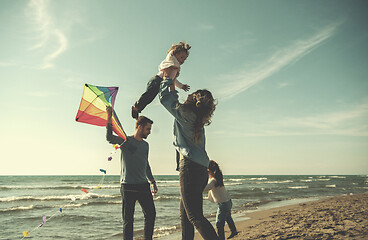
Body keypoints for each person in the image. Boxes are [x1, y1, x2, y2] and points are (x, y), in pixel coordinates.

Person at [159, 77, 219, 240]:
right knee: (186, 216)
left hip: (190, 169)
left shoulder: (186, 113)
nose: (189, 94)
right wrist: (173, 84)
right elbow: (175, 101)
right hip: (199, 170)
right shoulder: (196, 118)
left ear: (194, 99)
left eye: (191, 94)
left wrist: (167, 78)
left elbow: (164, 98)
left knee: (194, 217)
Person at [106, 106, 158, 240]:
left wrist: (152, 181)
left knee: (151, 214)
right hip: (128, 186)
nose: (150, 132)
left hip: (143, 186)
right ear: (140, 127)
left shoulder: (146, 145)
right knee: (128, 220)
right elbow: (109, 138)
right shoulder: (125, 141)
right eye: (148, 129)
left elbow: (146, 164)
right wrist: (109, 117)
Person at [131, 41, 191, 119]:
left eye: (185, 59)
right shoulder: (171, 60)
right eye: (182, 57)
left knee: (150, 98)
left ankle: (138, 109)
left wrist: (181, 86)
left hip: (160, 84)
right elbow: (171, 53)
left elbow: (174, 81)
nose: (182, 61)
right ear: (175, 54)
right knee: (149, 94)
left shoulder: (176, 68)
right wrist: (180, 48)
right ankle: (136, 106)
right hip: (157, 80)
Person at [204, 160, 238, 240]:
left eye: (207, 170)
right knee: (228, 217)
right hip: (228, 201)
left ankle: (221, 238)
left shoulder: (213, 180)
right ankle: (234, 231)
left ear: (210, 171)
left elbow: (205, 189)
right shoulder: (218, 177)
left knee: (219, 224)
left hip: (223, 204)